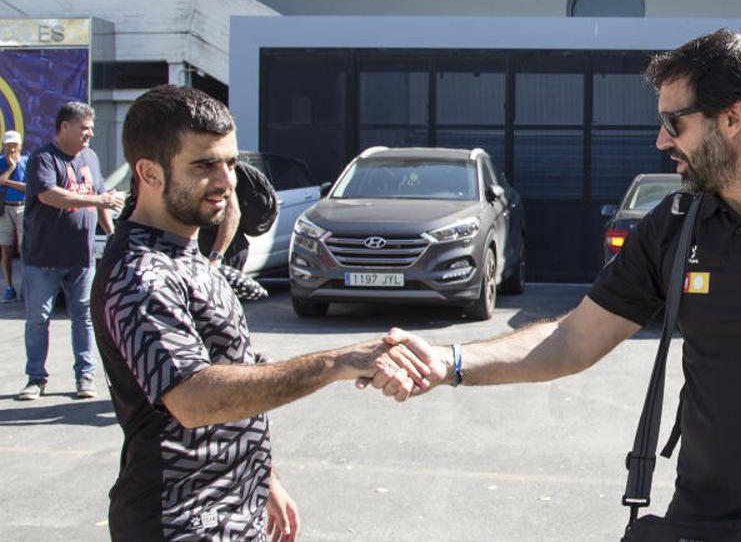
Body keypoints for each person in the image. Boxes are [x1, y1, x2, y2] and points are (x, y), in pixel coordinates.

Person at [383, 29, 741, 540]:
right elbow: (572, 340)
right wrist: (450, 361)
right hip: (699, 520)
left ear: (732, 118)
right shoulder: (675, 224)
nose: (662, 141)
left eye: (674, 123)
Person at [90, 85, 426, 541]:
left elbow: (233, 369)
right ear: (149, 173)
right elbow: (192, 398)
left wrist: (264, 475)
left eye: (230, 162)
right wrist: (335, 363)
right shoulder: (140, 274)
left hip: (234, 507)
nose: (227, 182)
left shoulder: (187, 253)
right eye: (204, 165)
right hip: (178, 521)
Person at [16, 102, 125, 401]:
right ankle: (35, 378)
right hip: (43, 259)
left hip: (81, 258)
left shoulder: (90, 157)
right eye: (84, 128)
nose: (90, 133)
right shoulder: (44, 158)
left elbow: (101, 200)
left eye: (91, 128)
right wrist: (98, 201)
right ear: (65, 127)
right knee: (38, 320)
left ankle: (84, 377)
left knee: (84, 318)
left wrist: (113, 235)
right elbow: (50, 196)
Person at [0, 130, 27, 302]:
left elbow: (28, 187)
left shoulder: (27, 161)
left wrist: (7, 181)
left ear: (20, 145)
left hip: (23, 207)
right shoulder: (1, 162)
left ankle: (26, 286)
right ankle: (9, 287)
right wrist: (10, 168)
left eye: (14, 145)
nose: (11, 149)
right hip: (4, 208)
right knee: (5, 247)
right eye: (8, 145)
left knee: (24, 248)